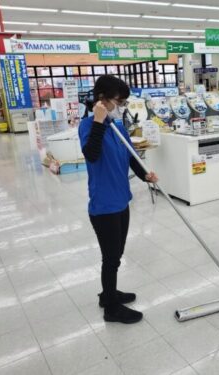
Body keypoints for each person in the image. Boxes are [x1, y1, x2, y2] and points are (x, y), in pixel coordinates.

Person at [78, 75, 158, 324]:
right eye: (119, 101)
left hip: (122, 199)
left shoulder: (118, 126)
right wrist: (100, 121)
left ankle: (108, 294)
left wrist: (145, 175)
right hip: (104, 205)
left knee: (118, 252)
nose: (122, 106)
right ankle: (111, 308)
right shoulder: (89, 126)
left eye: (124, 102)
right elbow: (91, 155)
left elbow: (131, 155)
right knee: (110, 257)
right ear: (101, 99)